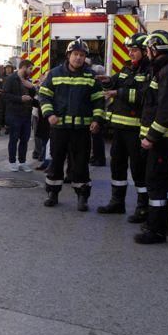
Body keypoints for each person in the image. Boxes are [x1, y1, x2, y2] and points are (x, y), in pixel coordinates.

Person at [39, 40, 105, 210]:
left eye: (82, 55)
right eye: (75, 54)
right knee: (56, 161)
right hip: (59, 128)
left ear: (85, 58)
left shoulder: (90, 76)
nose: (78, 58)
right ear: (68, 55)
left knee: (81, 164)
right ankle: (52, 193)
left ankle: (82, 197)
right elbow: (44, 95)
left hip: (81, 130)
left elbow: (98, 101)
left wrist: (97, 120)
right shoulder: (54, 73)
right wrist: (49, 114)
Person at [135, 30, 168, 244]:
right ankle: (166, 222)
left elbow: (165, 110)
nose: (147, 52)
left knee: (155, 181)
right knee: (165, 179)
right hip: (167, 138)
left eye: (148, 49)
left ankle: (155, 229)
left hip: (163, 139)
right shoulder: (167, 69)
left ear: (154, 49)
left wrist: (151, 137)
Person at [97, 34, 150, 219]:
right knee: (117, 166)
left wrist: (117, 92)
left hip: (136, 130)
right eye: (130, 50)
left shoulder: (150, 71)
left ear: (145, 51)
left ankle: (143, 208)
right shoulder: (127, 67)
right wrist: (107, 81)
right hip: (119, 129)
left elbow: (145, 96)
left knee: (138, 169)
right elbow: (117, 81)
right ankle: (117, 202)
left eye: (134, 50)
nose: (131, 53)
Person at [1, 59, 35, 172]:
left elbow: (33, 96)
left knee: (24, 139)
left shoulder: (27, 80)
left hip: (26, 115)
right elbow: (5, 96)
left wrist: (32, 88)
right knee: (14, 139)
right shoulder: (11, 79)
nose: (31, 71)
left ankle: (22, 162)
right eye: (30, 69)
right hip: (14, 114)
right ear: (24, 67)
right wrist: (20, 99)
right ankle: (12, 162)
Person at [0, 63, 14, 136]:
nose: (8, 69)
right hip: (1, 98)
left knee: (8, 114)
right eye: (7, 68)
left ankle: (8, 129)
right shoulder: (0, 76)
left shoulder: (14, 77)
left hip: (9, 98)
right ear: (4, 69)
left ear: (12, 69)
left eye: (9, 68)